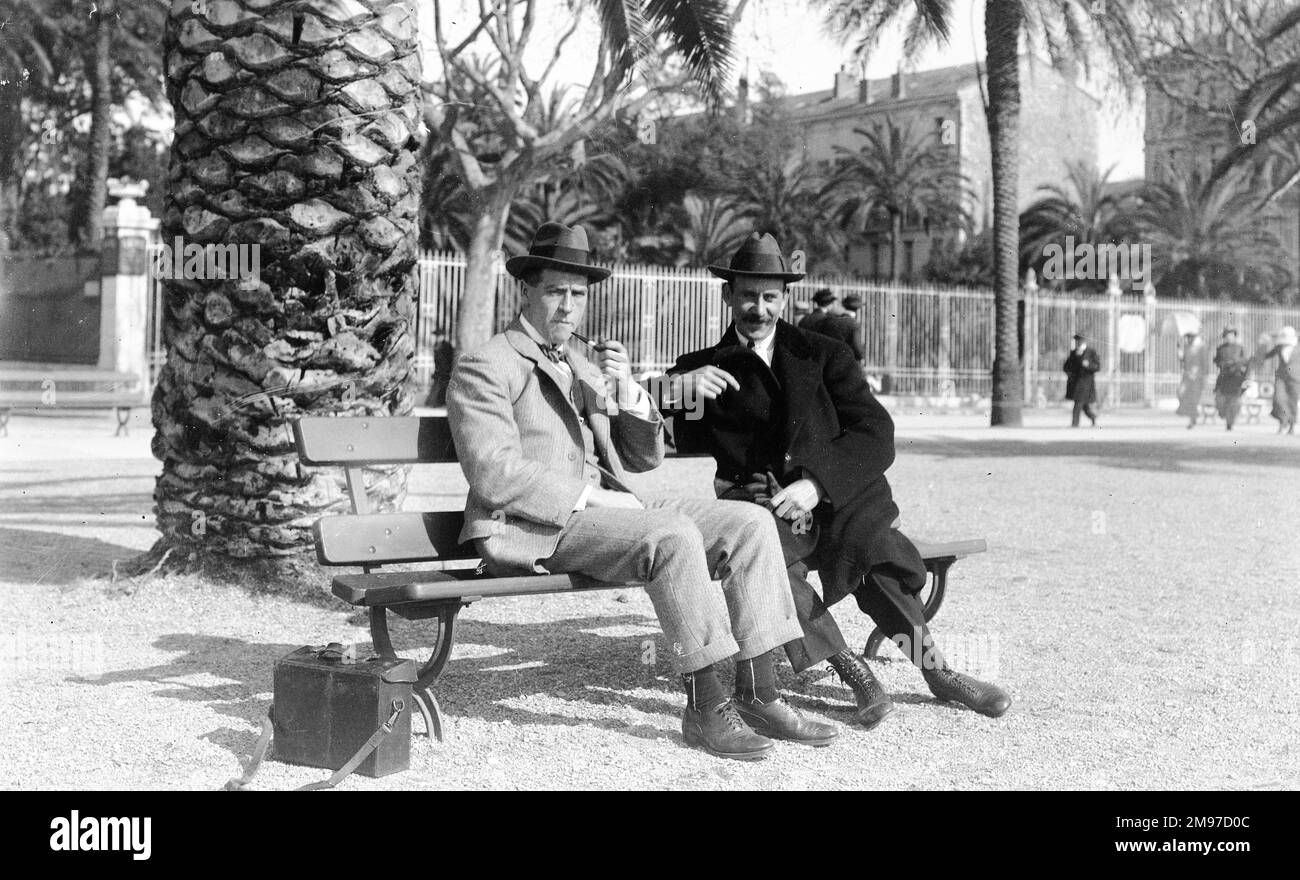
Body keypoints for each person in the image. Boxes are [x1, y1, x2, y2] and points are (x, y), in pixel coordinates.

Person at [446, 221, 829, 761]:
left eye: (578, 295)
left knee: (750, 523)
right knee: (670, 534)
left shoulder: (581, 364)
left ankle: (760, 692)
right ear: (525, 289)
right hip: (534, 525)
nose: (567, 307)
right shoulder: (487, 364)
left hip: (605, 510)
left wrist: (629, 395)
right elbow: (493, 471)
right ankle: (704, 706)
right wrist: (595, 498)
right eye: (555, 291)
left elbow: (641, 457)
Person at [660, 232, 1011, 728]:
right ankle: (854, 671)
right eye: (746, 295)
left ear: (785, 298)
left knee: (877, 551)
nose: (757, 308)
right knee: (767, 564)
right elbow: (634, 407)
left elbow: (876, 431)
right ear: (727, 296)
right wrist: (673, 387)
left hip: (835, 498)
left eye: (769, 297)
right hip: (763, 505)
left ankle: (938, 672)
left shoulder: (823, 355)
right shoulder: (702, 369)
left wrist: (816, 484)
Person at [1255, 325, 1298, 434]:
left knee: (1292, 402)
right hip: (1281, 377)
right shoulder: (1279, 347)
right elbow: (1265, 356)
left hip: (1296, 378)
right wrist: (1263, 343)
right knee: (1279, 399)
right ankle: (1282, 422)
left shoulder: (1298, 347)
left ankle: (1291, 425)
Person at [1213, 328, 1249, 431]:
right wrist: (1223, 364)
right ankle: (1224, 415)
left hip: (1236, 378)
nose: (1229, 337)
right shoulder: (1220, 348)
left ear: (1234, 336)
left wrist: (1236, 362)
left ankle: (1230, 423)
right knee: (1220, 400)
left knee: (1234, 401)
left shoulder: (1240, 348)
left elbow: (1245, 360)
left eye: (1231, 335)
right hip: (1224, 377)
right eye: (1227, 335)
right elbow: (1217, 360)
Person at [1063, 334, 1100, 427]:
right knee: (1084, 405)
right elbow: (1066, 366)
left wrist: (1088, 365)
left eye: (1080, 341)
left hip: (1086, 383)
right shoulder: (1074, 353)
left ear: (1084, 341)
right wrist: (1069, 373)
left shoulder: (1091, 352)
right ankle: (1093, 417)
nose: (1078, 343)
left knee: (1078, 403)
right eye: (1077, 341)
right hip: (1076, 383)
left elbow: (1097, 367)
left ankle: (1075, 423)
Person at [1177, 330, 1210, 429]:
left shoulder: (1201, 347)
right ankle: (1192, 415)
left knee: (1193, 398)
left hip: (1197, 377)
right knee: (1181, 393)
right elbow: (1184, 361)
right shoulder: (1187, 347)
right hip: (1187, 376)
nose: (1188, 339)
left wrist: (1205, 376)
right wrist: (1179, 352)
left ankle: (1192, 419)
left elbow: (1205, 363)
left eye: (1190, 337)